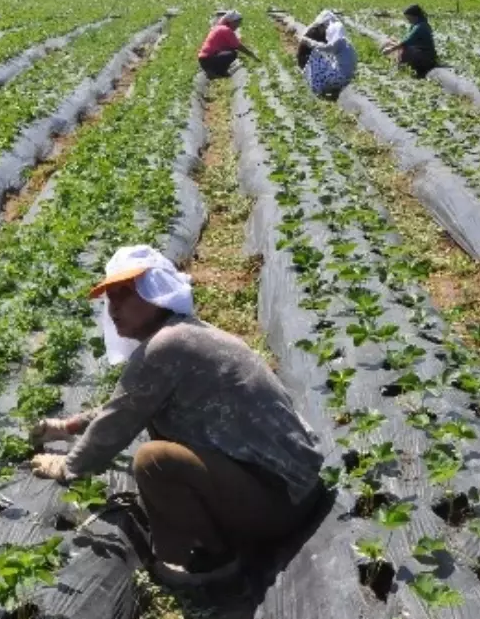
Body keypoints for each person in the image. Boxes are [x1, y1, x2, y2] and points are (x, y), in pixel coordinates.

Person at [29, 245, 325, 587]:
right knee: (160, 443)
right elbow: (127, 403)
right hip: (295, 488)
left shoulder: (167, 346)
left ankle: (215, 560)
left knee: (154, 460)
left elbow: (119, 419)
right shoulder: (183, 334)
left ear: (154, 293)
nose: (113, 309)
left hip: (282, 502)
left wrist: (67, 467)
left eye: (125, 296)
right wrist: (65, 427)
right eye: (110, 299)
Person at [298, 10, 357, 98]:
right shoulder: (346, 42)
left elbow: (324, 48)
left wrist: (307, 41)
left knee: (315, 55)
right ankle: (329, 87)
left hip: (339, 78)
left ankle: (317, 88)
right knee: (326, 59)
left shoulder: (339, 42)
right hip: (346, 78)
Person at [197, 10, 258, 79]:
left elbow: (232, 45)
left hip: (205, 59)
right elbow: (238, 46)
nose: (238, 25)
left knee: (230, 50)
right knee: (232, 53)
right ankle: (215, 72)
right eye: (238, 22)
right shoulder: (226, 30)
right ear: (232, 22)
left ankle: (218, 72)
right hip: (208, 59)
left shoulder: (220, 27)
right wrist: (252, 55)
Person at [382, 4, 438, 79]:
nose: (408, 20)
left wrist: (390, 49)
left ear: (415, 16)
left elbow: (407, 42)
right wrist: (393, 42)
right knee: (396, 44)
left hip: (426, 57)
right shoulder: (416, 25)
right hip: (422, 53)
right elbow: (405, 39)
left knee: (404, 50)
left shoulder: (420, 27)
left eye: (409, 18)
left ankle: (402, 66)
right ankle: (399, 64)